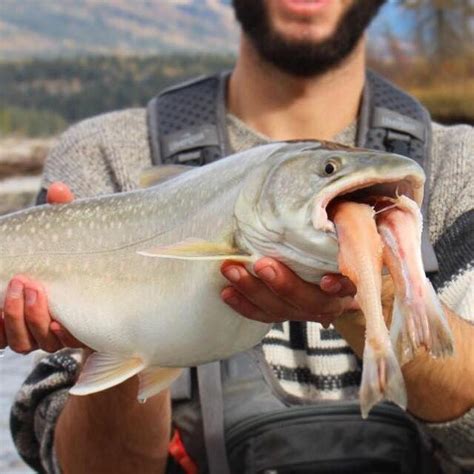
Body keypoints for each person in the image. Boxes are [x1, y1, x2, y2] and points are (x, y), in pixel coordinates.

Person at [3, 0, 473, 472]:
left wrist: (379, 295)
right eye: (327, 171)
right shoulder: (103, 156)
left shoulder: (459, 164)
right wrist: (107, 340)